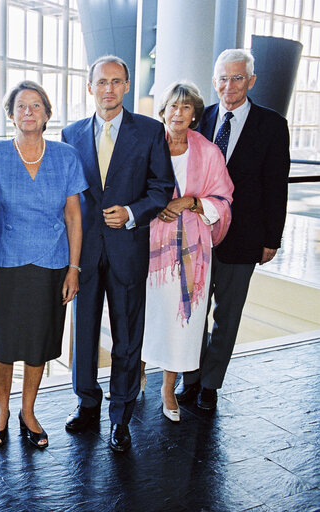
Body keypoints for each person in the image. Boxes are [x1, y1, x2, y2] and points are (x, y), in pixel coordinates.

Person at [61, 55, 174, 452]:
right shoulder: (71, 133)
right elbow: (66, 195)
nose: (108, 88)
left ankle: (120, 415)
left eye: (116, 81)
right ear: (90, 86)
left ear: (126, 86)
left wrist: (131, 213)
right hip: (85, 252)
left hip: (127, 248)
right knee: (84, 331)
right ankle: (86, 403)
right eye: (101, 81)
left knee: (127, 337)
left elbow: (162, 187)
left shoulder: (149, 131)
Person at [0, 81, 86, 449]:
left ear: (47, 114)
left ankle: (28, 410)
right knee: (2, 345)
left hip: (51, 265)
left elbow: (74, 218)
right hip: (2, 264)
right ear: (10, 114)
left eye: (36, 106)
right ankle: (2, 410)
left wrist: (73, 268)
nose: (29, 112)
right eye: (21, 106)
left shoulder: (66, 156)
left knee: (39, 344)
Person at [176, 49, 290, 410]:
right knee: (192, 310)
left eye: (238, 77)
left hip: (244, 237)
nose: (230, 85)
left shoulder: (271, 125)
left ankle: (210, 384)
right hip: (196, 236)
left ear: (251, 81)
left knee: (227, 315)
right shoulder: (200, 119)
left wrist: (272, 238)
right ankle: (190, 376)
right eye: (223, 78)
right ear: (214, 81)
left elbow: (276, 185)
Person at [141, 81, 234, 423]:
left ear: (195, 114)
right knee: (145, 313)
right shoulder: (147, 145)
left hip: (190, 252)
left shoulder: (208, 152)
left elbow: (223, 199)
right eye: (172, 107)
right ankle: (136, 373)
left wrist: (189, 202)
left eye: (186, 107)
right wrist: (156, 205)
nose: (178, 113)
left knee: (180, 322)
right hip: (148, 246)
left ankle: (168, 389)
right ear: (162, 111)